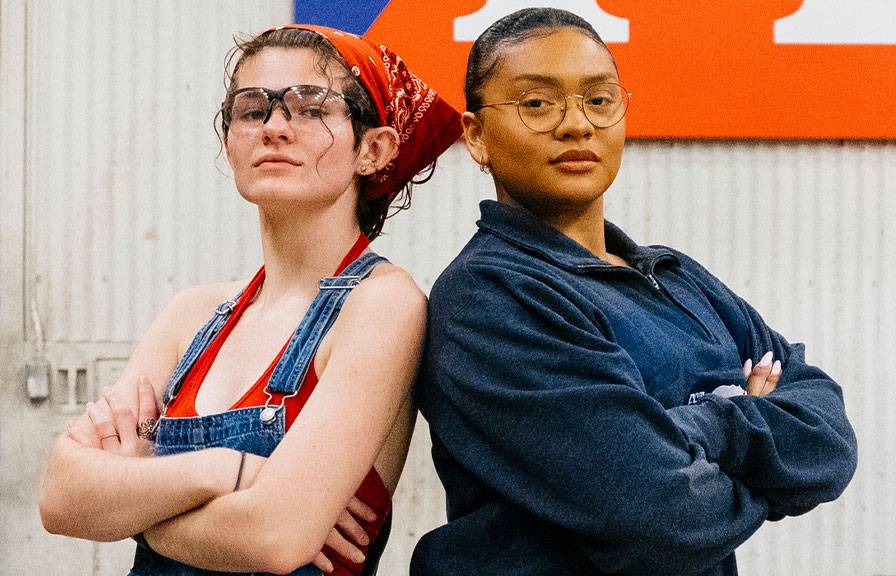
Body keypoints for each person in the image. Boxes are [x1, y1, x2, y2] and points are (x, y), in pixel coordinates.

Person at [411, 8, 857, 576]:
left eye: (599, 100)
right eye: (537, 104)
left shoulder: (676, 276)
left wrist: (688, 429)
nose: (576, 125)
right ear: (476, 136)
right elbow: (665, 516)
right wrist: (734, 412)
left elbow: (827, 444)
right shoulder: (490, 297)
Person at [40, 24, 460, 576]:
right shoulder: (193, 314)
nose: (276, 127)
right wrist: (227, 470)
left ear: (372, 149)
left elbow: (274, 537)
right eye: (252, 108)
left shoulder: (381, 305)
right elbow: (60, 499)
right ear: (229, 142)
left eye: (311, 107)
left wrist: (128, 506)